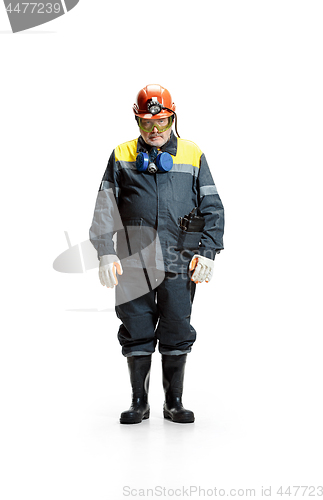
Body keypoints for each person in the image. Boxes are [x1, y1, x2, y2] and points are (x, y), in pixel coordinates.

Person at [89, 84, 224, 424]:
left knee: (178, 328)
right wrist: (106, 252)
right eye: (146, 123)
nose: (154, 130)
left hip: (181, 261)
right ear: (137, 122)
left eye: (162, 122)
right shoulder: (121, 155)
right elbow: (105, 205)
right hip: (133, 264)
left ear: (172, 118)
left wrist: (208, 251)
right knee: (136, 328)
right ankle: (139, 402)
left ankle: (173, 403)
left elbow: (212, 206)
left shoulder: (192, 154)